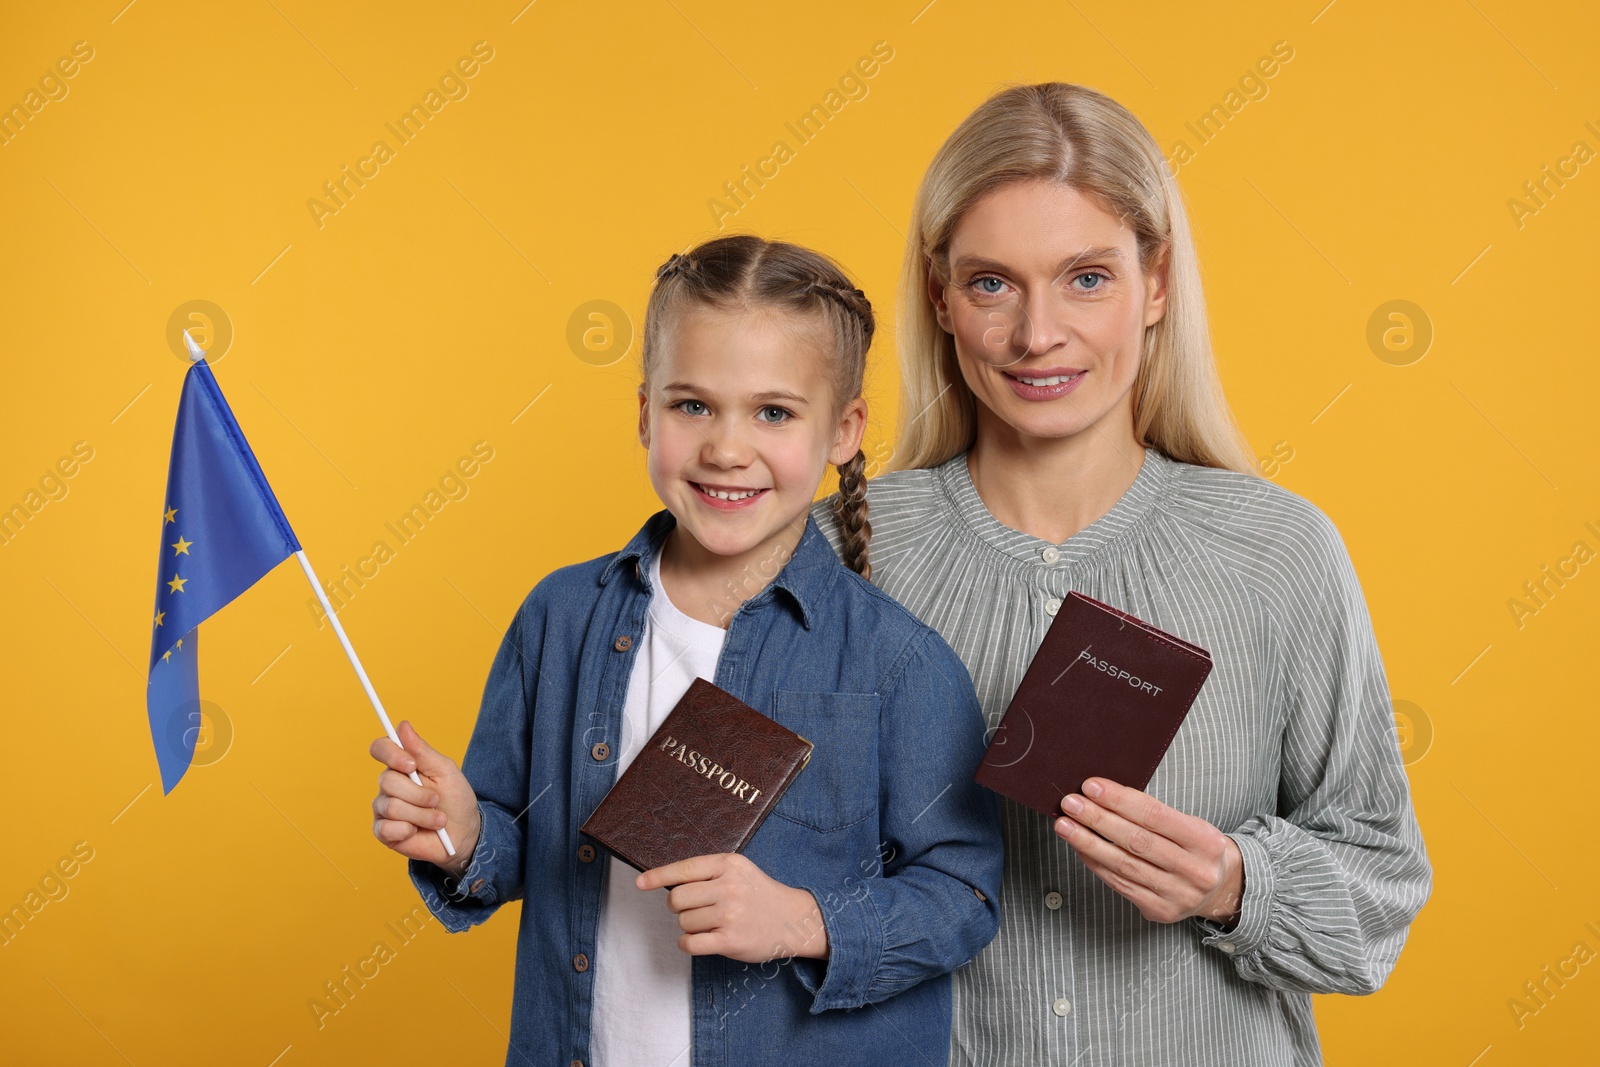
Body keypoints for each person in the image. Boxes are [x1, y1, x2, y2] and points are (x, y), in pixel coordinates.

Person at [811, 82, 1431, 1066]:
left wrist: (1237, 883)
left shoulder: (1280, 551)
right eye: (991, 284)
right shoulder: (836, 554)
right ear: (938, 295)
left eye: (1085, 278)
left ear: (1155, 284)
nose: (1036, 334)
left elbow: (1381, 892)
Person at [369, 234, 1003, 1066]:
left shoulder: (897, 664)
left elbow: (963, 893)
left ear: (844, 430)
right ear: (644, 412)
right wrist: (460, 833)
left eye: (773, 412)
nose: (725, 448)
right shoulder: (559, 618)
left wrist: (801, 921)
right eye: (691, 405)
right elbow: (521, 842)